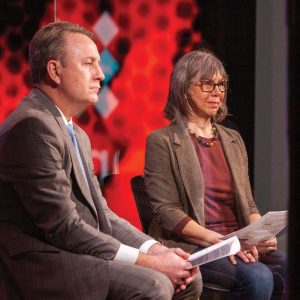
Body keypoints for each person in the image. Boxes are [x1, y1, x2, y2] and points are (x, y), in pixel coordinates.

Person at [0, 21, 202, 300]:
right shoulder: (32, 126)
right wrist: (152, 263)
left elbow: (102, 214)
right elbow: (63, 226)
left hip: (71, 250)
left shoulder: (75, 132)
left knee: (189, 277)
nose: (100, 75)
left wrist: (154, 249)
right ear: (55, 71)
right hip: (41, 262)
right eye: (88, 63)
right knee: (155, 284)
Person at [144, 50, 286, 299]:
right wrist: (219, 241)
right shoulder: (162, 141)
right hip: (195, 244)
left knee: (287, 268)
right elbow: (167, 211)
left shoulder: (233, 139)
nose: (217, 92)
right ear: (183, 88)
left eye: (221, 84)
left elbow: (248, 203)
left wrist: (260, 236)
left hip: (238, 241)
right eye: (207, 84)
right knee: (258, 277)